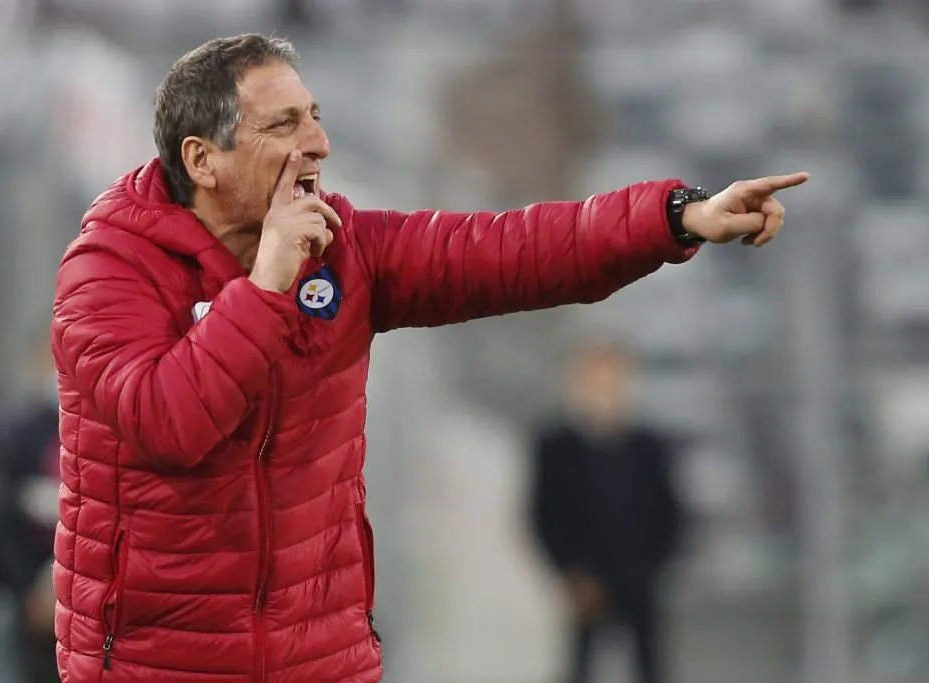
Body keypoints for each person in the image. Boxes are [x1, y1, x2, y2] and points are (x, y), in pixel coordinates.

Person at [50, 33, 808, 683]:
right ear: (202, 159)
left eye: (316, 117)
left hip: (321, 661)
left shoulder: (348, 254)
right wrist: (269, 280)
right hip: (154, 665)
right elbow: (170, 423)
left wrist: (676, 217)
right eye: (284, 125)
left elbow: (512, 250)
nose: (318, 143)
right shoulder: (109, 269)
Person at [530, 340, 685, 683]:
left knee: (651, 668)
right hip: (582, 583)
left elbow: (670, 515)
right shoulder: (555, 447)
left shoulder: (650, 447)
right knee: (578, 668)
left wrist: (650, 570)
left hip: (640, 580)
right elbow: (543, 516)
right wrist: (571, 574)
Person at [0, 333, 61, 683]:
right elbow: (3, 518)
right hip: (33, 608)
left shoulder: (106, 426)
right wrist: (32, 593)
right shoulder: (13, 436)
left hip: (90, 603)